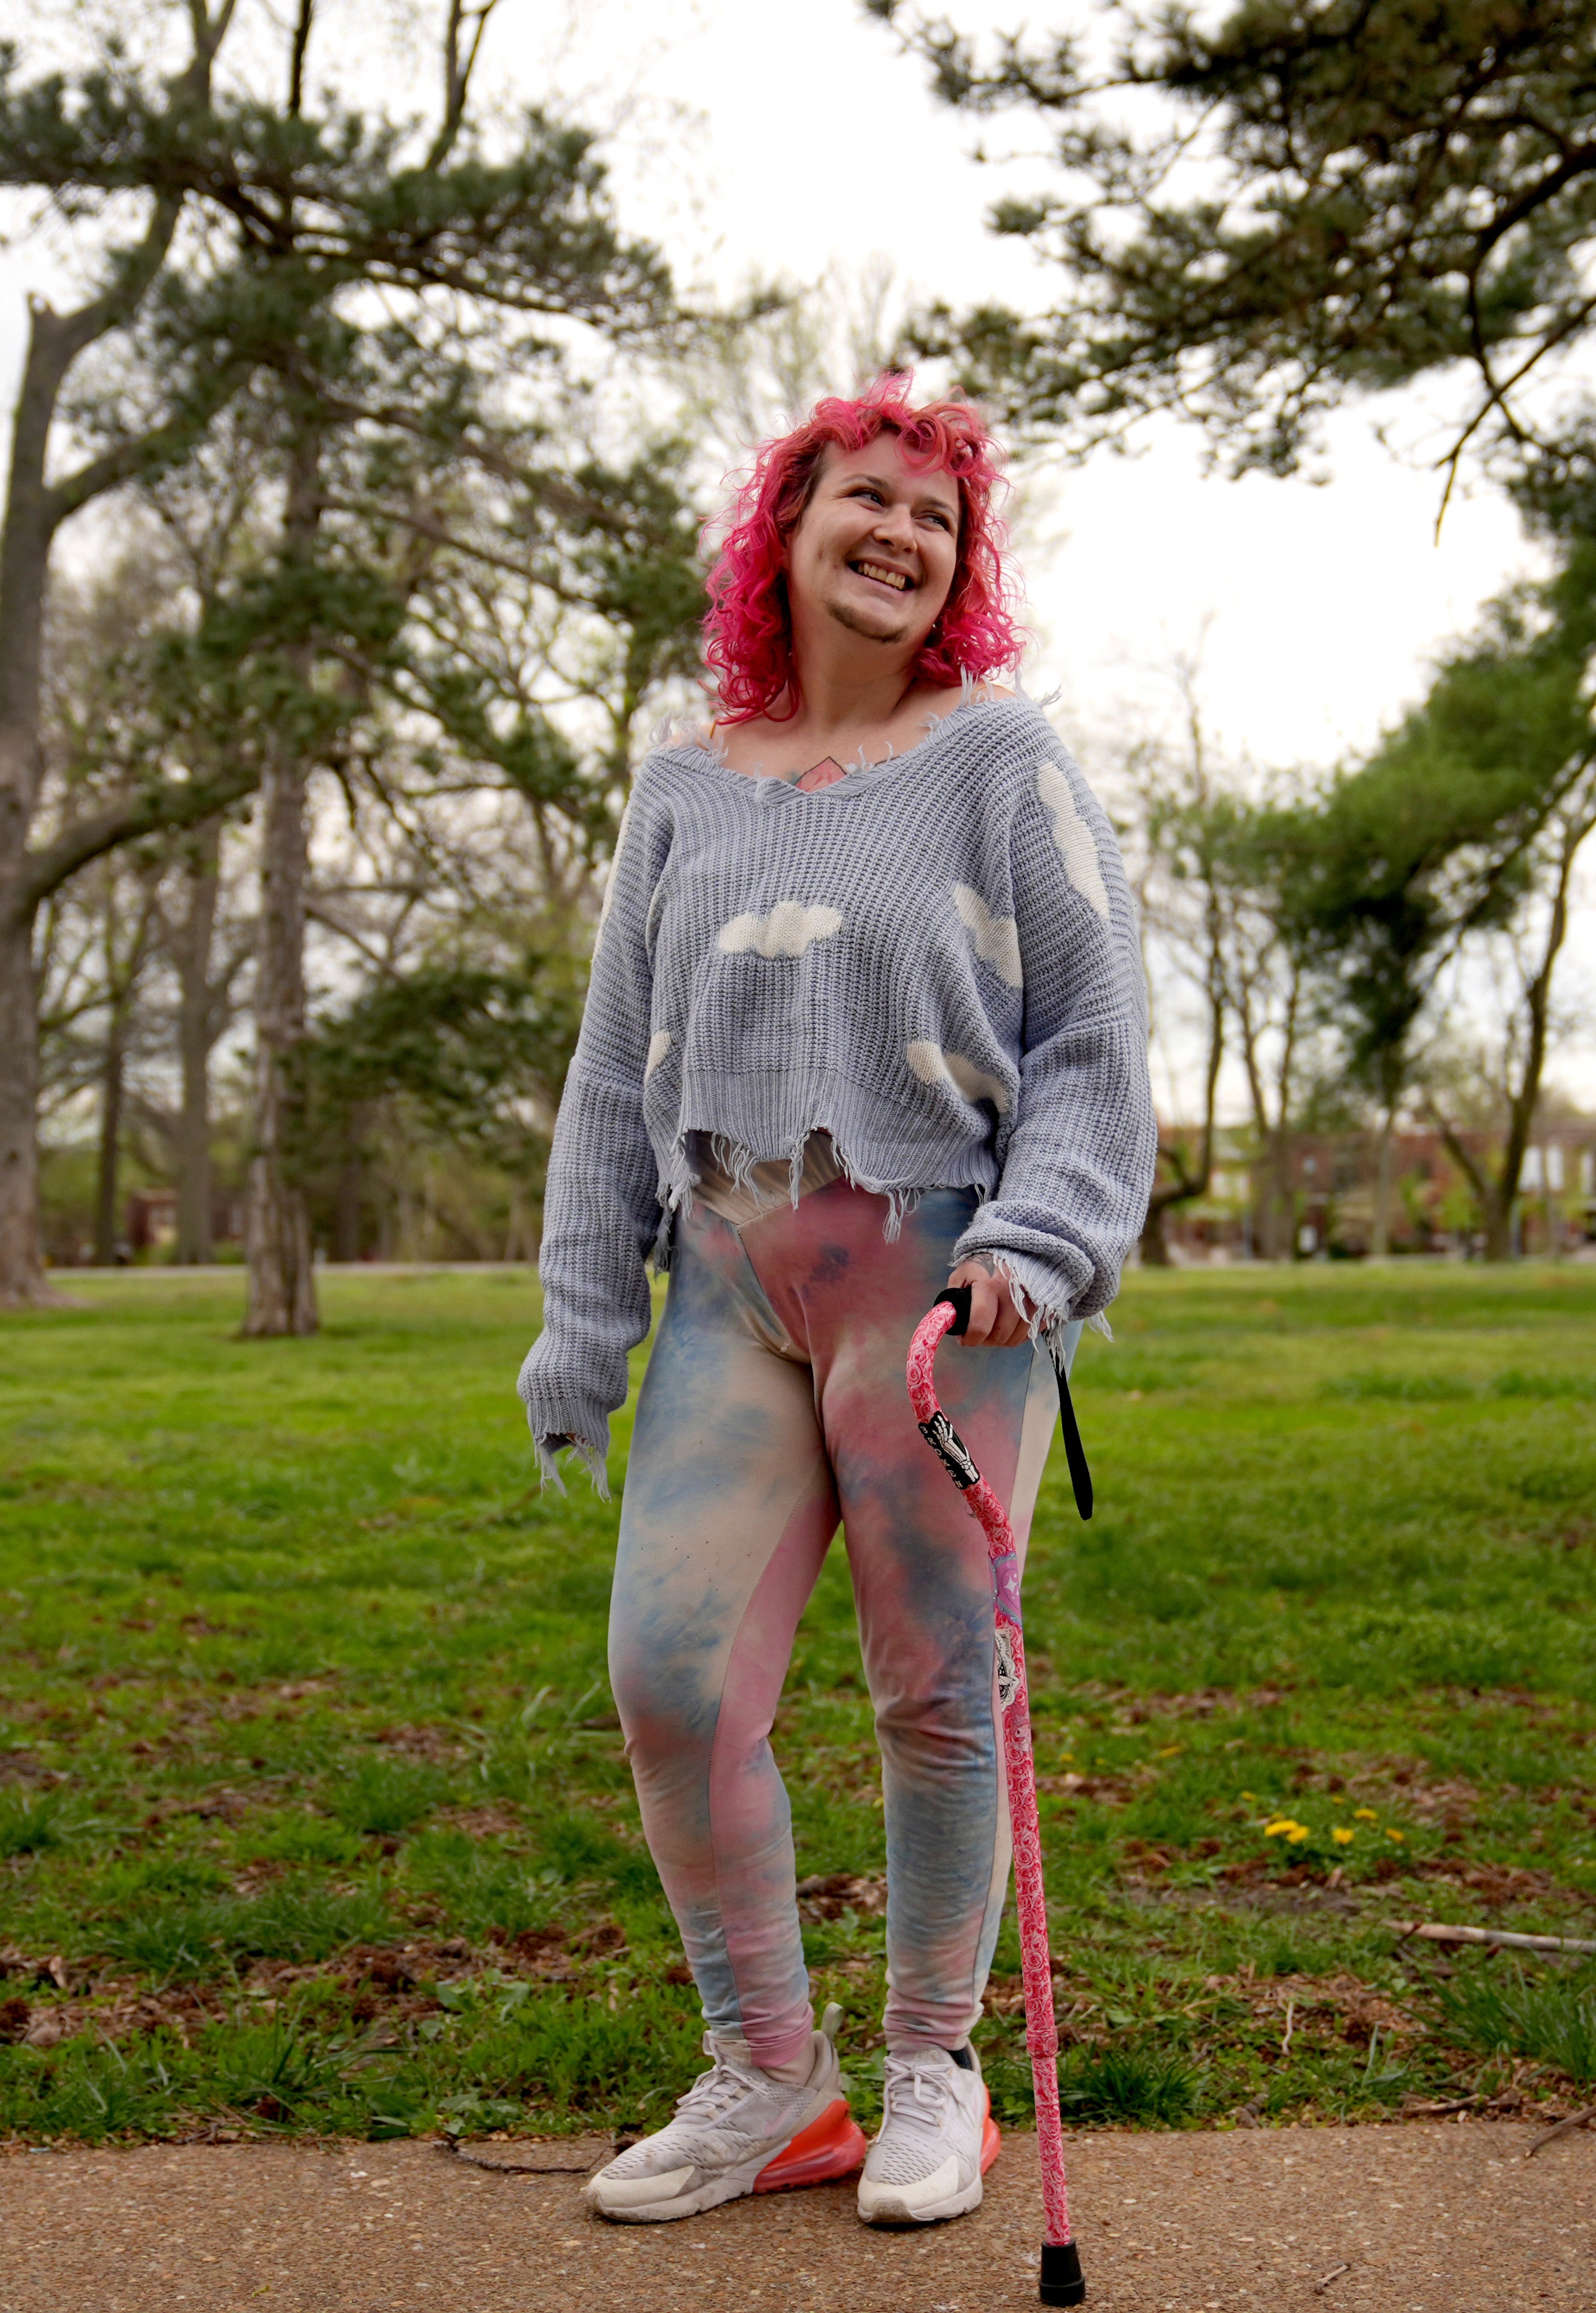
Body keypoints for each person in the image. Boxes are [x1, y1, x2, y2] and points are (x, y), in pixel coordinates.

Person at [518, 377, 1151, 2230]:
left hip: (944, 1287)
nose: (900, 534)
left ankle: (933, 2070)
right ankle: (772, 2077)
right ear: (784, 532)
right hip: (728, 1270)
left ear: (960, 571)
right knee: (672, 1676)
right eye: (864, 498)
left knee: (938, 1686)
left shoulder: (1001, 760)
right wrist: (583, 1319)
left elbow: (1096, 1044)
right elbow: (612, 1078)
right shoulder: (684, 785)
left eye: (936, 520)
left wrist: (1043, 1241)